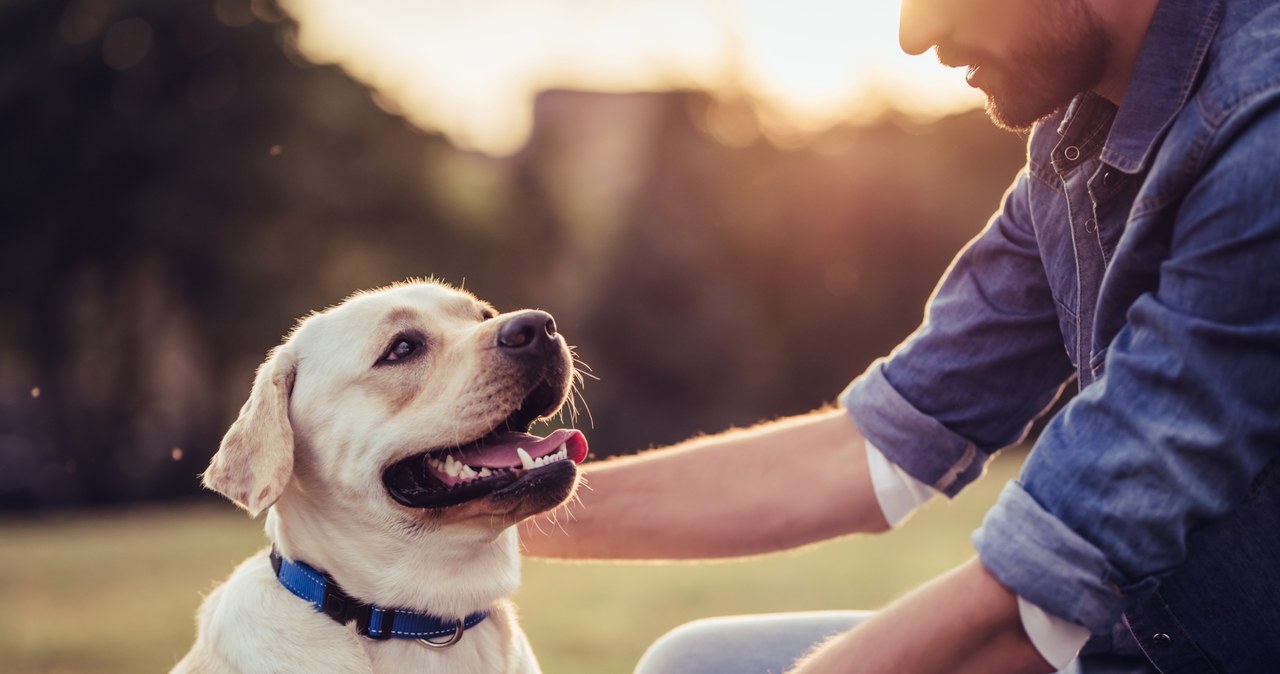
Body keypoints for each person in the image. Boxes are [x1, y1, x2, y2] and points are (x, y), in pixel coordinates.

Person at [521, 0, 1280, 672]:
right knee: (696, 663)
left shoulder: (1263, 126)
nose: (916, 32)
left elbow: (1054, 584)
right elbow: (880, 443)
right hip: (1134, 649)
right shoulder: (1073, 144)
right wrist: (497, 515)